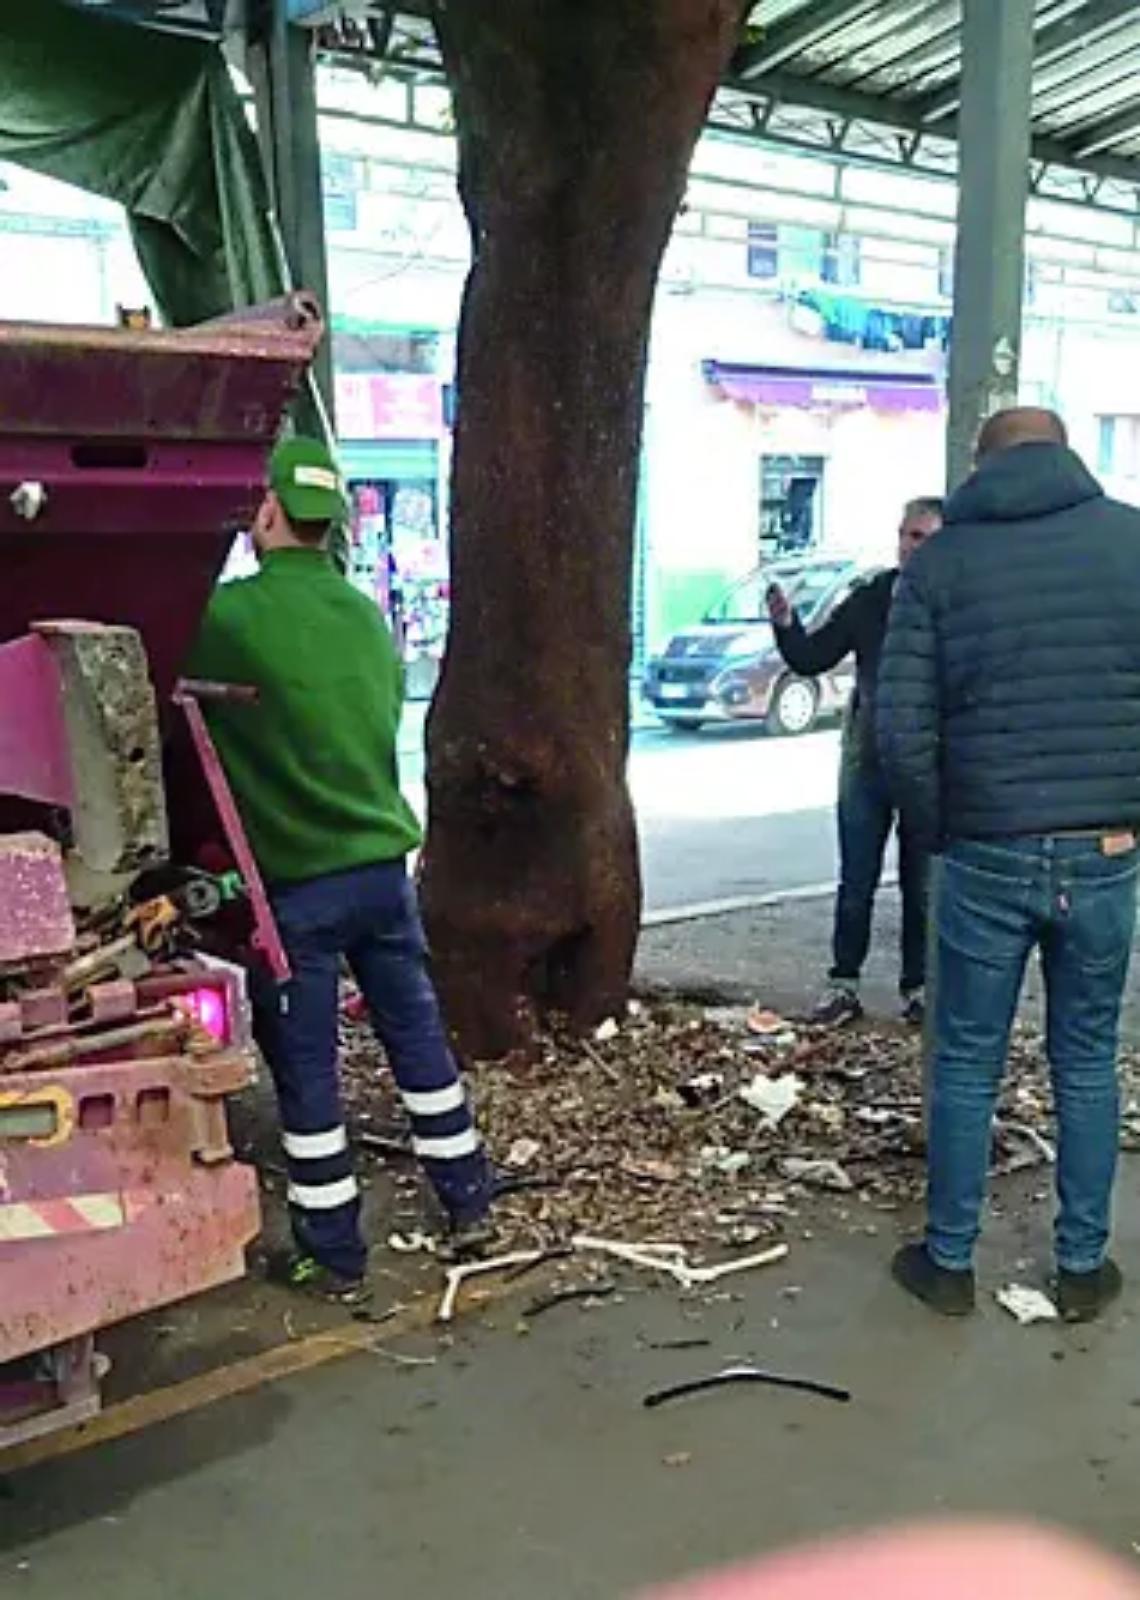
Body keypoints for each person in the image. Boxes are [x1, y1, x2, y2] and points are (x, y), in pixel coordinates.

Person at [186, 436, 494, 1303]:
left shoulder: (230, 618)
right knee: (416, 1036)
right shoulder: (366, 616)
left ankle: (335, 1251)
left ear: (269, 512)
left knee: (311, 1067)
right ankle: (468, 1198)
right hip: (382, 874)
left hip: (301, 889)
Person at [877, 407, 1140, 1323]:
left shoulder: (940, 562)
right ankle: (1082, 1265)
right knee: (1086, 1058)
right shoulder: (1131, 543)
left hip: (985, 848)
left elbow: (900, 729)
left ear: (982, 464)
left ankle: (948, 1263)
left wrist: (946, 826)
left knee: (965, 1060)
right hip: (1106, 849)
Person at [766, 498, 944, 1027]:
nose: (914, 547)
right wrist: (786, 624)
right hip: (867, 759)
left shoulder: (959, 602)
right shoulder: (873, 596)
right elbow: (812, 657)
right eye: (908, 535)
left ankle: (919, 988)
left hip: (928, 764)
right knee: (856, 879)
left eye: (926, 537)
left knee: (923, 883)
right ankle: (843, 983)